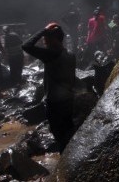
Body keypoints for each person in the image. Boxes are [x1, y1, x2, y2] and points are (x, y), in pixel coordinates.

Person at [22, 23, 76, 153]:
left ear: (54, 38)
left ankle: (65, 165)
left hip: (55, 102)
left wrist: (42, 31)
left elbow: (26, 46)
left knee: (59, 135)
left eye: (46, 38)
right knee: (68, 133)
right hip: (68, 99)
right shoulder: (70, 54)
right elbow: (72, 78)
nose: (44, 41)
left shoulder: (51, 54)